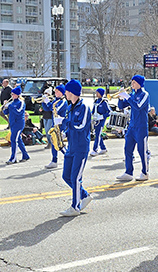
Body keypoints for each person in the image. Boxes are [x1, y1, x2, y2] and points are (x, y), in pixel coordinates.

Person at [58, 80, 93, 217]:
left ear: (72, 92)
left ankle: (75, 207)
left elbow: (82, 126)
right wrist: (63, 132)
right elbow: (70, 127)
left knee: (75, 177)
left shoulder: (84, 107)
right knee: (66, 176)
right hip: (71, 147)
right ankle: (84, 196)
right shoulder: (69, 107)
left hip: (81, 147)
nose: (64, 93)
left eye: (66, 91)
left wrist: (66, 122)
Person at [116, 75, 151, 181]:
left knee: (142, 151)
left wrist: (127, 97)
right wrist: (121, 98)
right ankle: (128, 172)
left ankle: (145, 173)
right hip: (132, 126)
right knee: (127, 149)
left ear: (140, 83)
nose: (132, 84)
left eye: (134, 82)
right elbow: (121, 107)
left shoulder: (145, 94)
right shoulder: (133, 94)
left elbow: (138, 106)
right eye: (132, 82)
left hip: (141, 127)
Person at [42, 85, 68, 169]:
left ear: (62, 92)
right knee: (54, 142)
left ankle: (69, 157)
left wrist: (48, 102)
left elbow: (55, 109)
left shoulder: (63, 101)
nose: (55, 93)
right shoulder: (56, 100)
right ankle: (54, 160)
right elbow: (47, 109)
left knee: (59, 144)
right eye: (55, 91)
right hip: (55, 124)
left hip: (61, 124)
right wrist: (44, 101)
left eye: (57, 91)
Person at [3, 86, 30, 164]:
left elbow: (18, 112)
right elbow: (6, 112)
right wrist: (5, 107)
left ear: (18, 95)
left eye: (14, 94)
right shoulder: (11, 103)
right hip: (12, 123)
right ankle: (25, 155)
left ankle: (13, 158)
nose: (12, 96)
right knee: (18, 139)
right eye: (12, 94)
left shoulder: (21, 102)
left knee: (13, 139)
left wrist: (10, 106)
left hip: (18, 124)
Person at [90, 88, 110, 156]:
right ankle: (103, 148)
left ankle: (95, 149)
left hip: (101, 121)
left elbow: (109, 112)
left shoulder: (104, 102)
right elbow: (93, 111)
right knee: (97, 134)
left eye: (98, 92)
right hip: (96, 120)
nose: (96, 94)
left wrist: (102, 116)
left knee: (98, 135)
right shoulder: (96, 101)